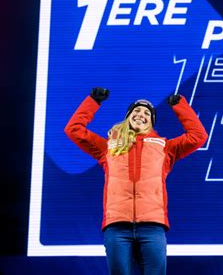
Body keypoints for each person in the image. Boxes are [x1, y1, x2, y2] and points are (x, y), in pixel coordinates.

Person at [65, 87, 208, 275]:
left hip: (152, 227)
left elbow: (198, 136)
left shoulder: (165, 147)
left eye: (147, 113)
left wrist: (180, 106)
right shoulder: (107, 147)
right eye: (137, 111)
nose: (141, 114)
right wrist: (93, 101)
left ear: (152, 121)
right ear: (128, 116)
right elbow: (74, 129)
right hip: (117, 227)